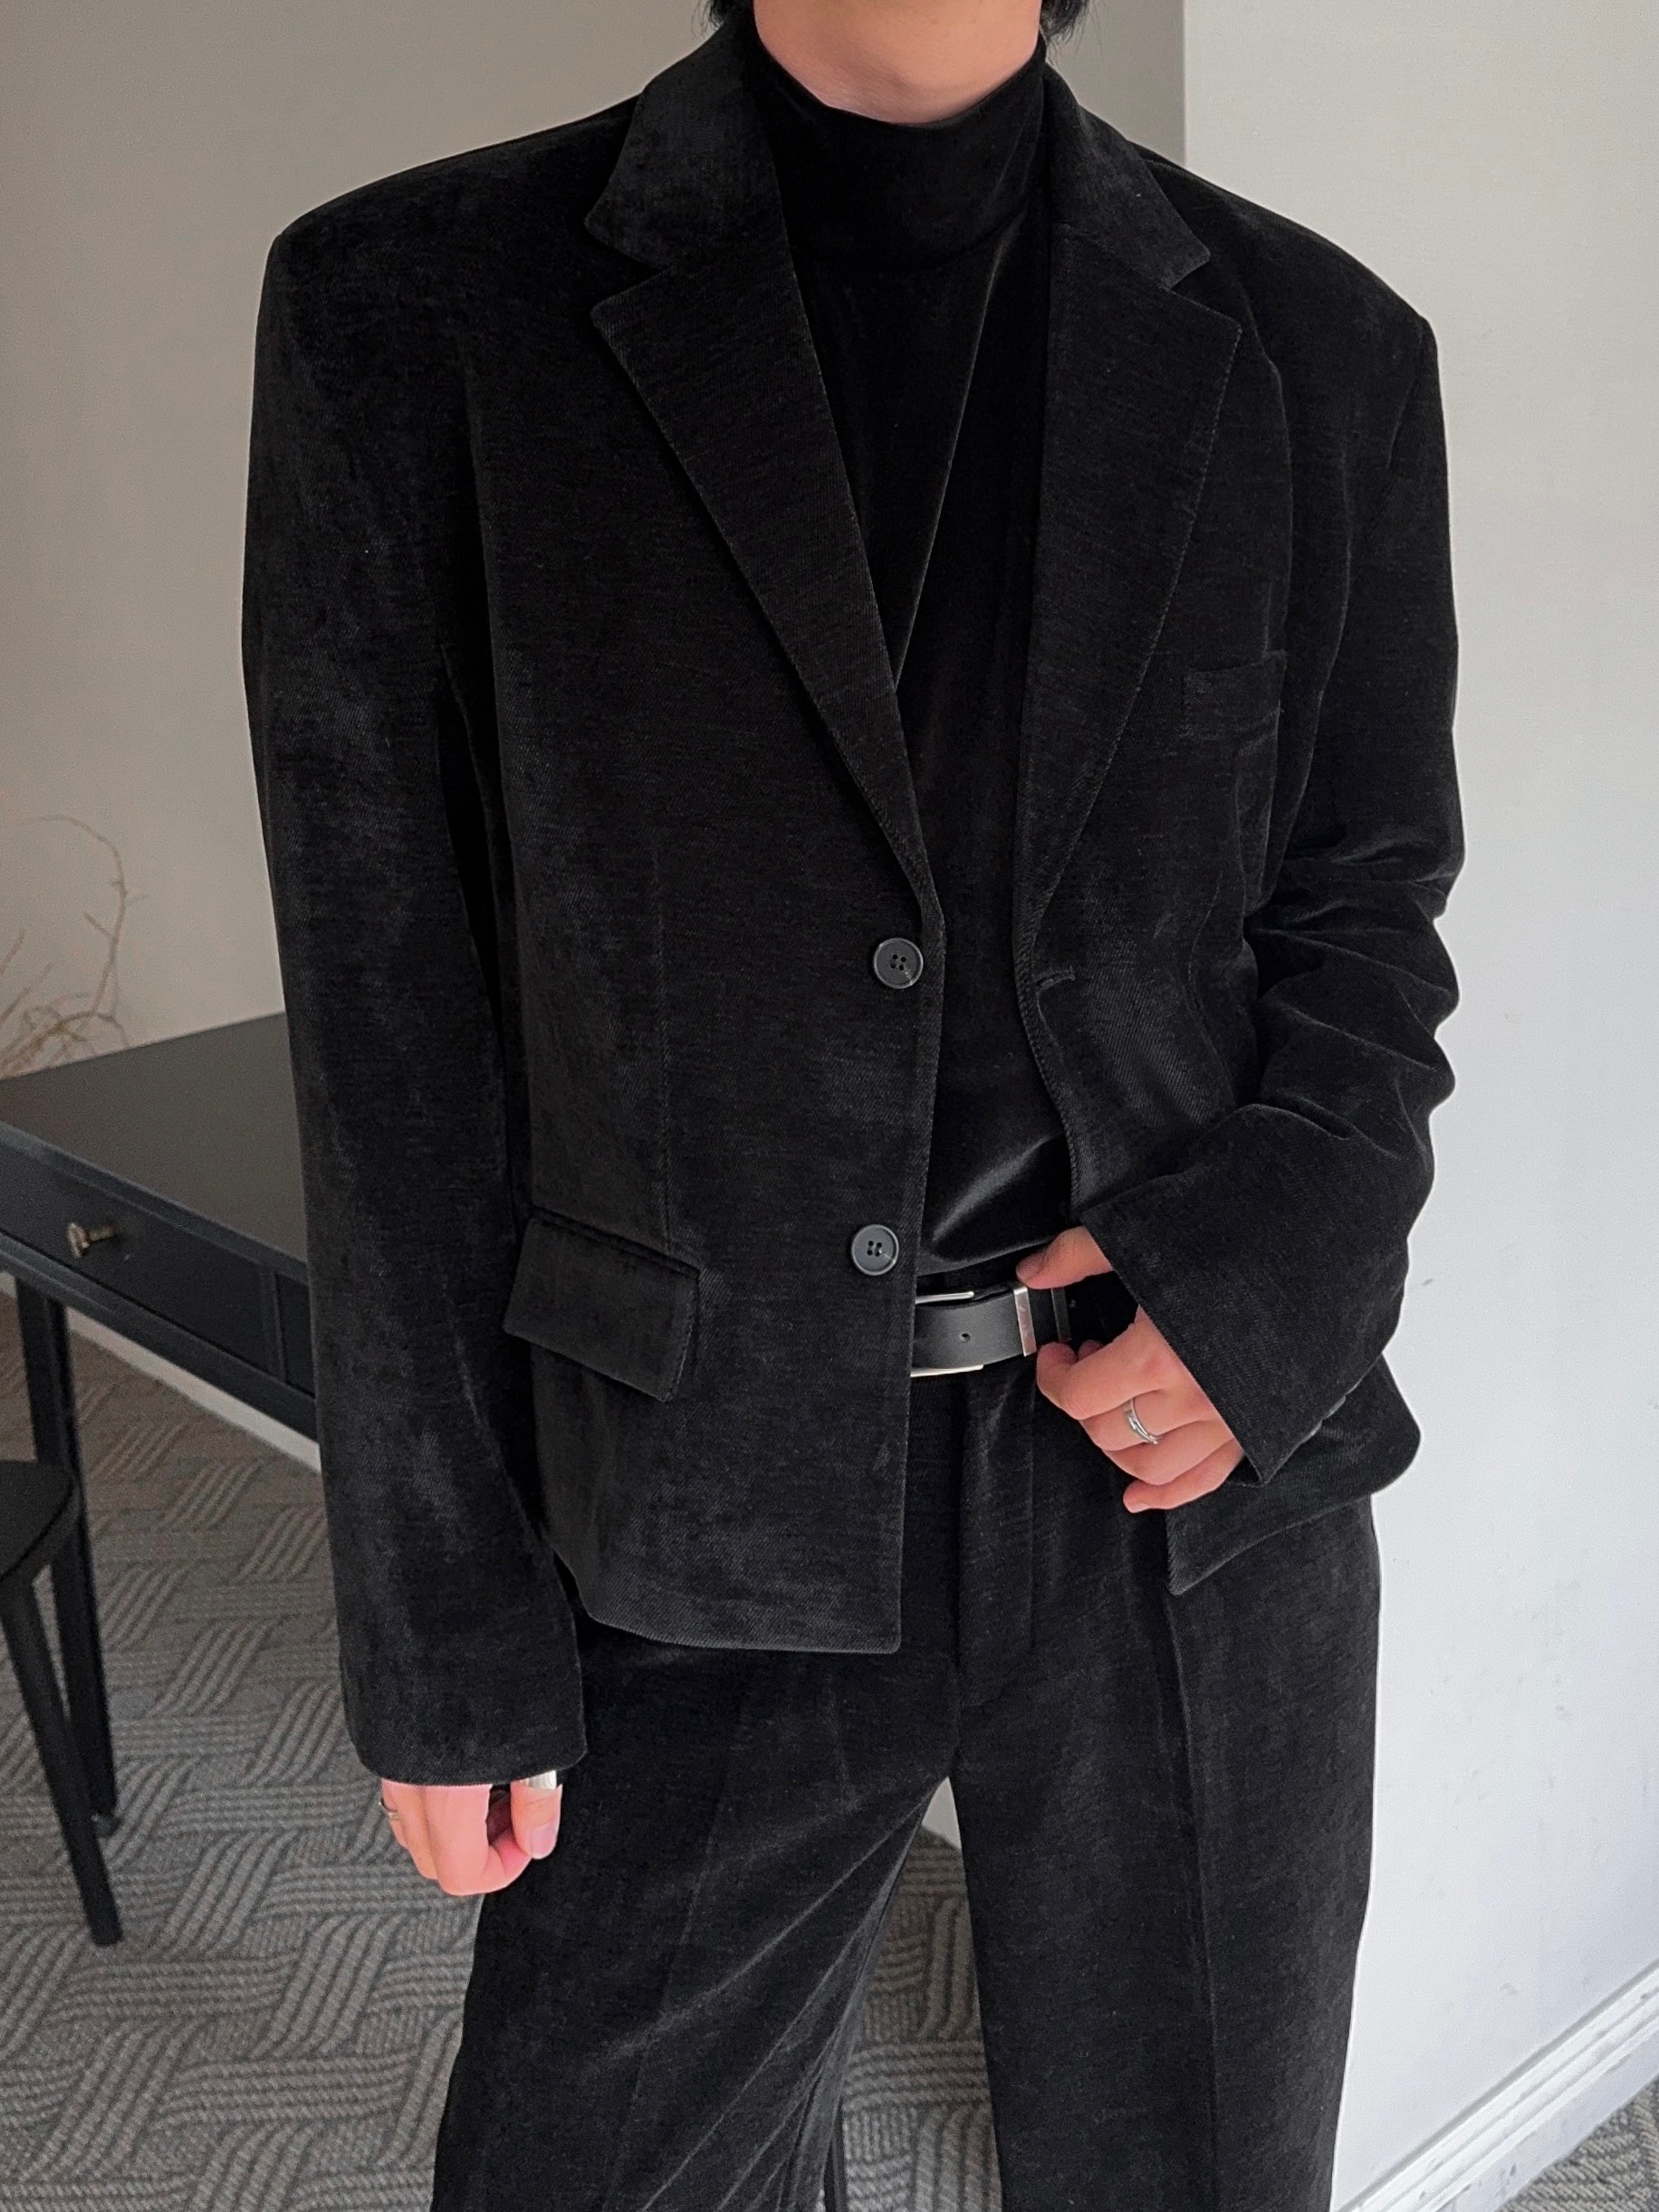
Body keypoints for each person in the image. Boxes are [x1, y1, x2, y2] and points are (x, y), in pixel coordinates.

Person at [240, 0, 1463, 2202]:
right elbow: (389, 1029)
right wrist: (443, 1634)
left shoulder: (1322, 345)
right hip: (689, 1485)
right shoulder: (412, 309)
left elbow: (1365, 904)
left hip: (1179, 1467)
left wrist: (1273, 1279)